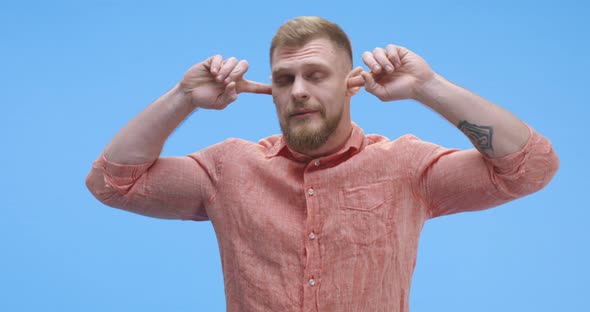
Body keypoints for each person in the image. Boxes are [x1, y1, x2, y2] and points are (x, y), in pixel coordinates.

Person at [86, 16, 559, 312]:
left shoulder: (406, 166)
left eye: (315, 75)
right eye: (284, 78)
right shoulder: (228, 169)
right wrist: (183, 98)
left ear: (352, 84)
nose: (297, 91)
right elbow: (112, 183)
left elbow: (531, 166)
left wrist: (426, 86)